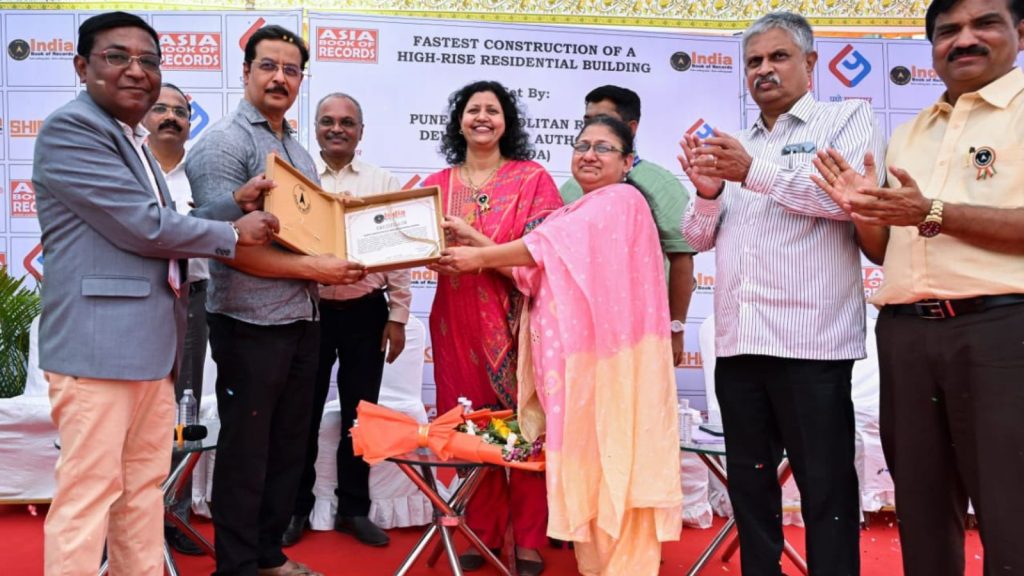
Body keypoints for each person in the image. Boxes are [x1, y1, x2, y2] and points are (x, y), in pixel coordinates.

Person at [33, 11, 277, 575]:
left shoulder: (130, 138)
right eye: (117, 56)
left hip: (150, 350)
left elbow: (162, 218)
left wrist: (230, 205)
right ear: (82, 66)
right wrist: (233, 234)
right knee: (87, 498)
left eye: (148, 60)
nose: (136, 70)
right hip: (98, 351)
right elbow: (142, 228)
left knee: (142, 493)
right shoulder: (73, 129)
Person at [811, 0, 1024, 573]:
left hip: (1003, 334)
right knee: (923, 514)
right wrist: (860, 210)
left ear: (1020, 32)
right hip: (906, 338)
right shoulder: (908, 133)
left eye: (984, 24)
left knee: (1012, 515)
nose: (964, 40)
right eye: (948, 30)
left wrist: (931, 211)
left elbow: (929, 216)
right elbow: (885, 249)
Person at [680, 11, 885, 575]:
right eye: (753, 62)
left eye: (777, 57)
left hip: (812, 344)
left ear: (810, 63)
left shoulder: (847, 120)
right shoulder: (736, 144)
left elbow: (848, 201)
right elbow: (696, 237)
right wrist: (705, 192)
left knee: (826, 491)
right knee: (750, 491)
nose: (764, 70)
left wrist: (751, 172)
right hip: (740, 344)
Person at [436, 115, 683, 576]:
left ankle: (626, 568)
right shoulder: (574, 211)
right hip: (582, 366)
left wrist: (478, 256)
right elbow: (533, 270)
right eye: (582, 144)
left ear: (628, 162)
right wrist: (478, 242)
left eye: (604, 148)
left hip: (614, 362)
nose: (589, 154)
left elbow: (537, 250)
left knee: (617, 463)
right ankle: (600, 567)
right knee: (590, 467)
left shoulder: (621, 200)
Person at [187, 25, 366, 576]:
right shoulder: (224, 144)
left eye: (291, 70)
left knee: (289, 448)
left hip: (301, 319)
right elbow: (230, 248)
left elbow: (307, 234)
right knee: (247, 452)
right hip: (249, 323)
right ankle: (237, 565)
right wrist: (317, 267)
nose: (279, 78)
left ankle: (266, 556)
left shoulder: (293, 148)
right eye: (268, 66)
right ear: (245, 73)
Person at [422, 80, 562, 575]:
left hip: (519, 322)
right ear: (459, 120)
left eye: (493, 110)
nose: (483, 117)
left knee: (524, 427)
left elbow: (540, 257)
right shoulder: (435, 185)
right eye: (473, 109)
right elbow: (407, 244)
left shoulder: (532, 179)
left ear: (507, 122)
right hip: (454, 320)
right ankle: (478, 530)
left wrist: (474, 242)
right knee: (468, 423)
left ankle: (527, 541)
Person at [282, 93, 410, 548]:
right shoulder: (297, 178)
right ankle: (293, 509)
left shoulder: (381, 180)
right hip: (307, 311)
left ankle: (354, 509)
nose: (337, 129)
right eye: (328, 122)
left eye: (347, 122)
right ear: (314, 128)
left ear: (361, 130)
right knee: (300, 414)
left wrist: (397, 315)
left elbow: (398, 254)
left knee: (361, 415)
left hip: (365, 312)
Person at [560, 86, 694, 365]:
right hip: (579, 332)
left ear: (631, 128)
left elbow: (681, 259)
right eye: (587, 121)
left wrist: (675, 327)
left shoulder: (661, 185)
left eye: (605, 119)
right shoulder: (570, 189)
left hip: (640, 333)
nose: (595, 127)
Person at [140, 82, 207, 557]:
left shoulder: (202, 175)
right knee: (133, 410)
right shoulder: (128, 166)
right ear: (145, 115)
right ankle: (129, 521)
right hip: (138, 302)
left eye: (180, 111)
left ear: (190, 121)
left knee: (184, 410)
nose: (170, 117)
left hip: (194, 300)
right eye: (160, 108)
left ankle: (175, 514)